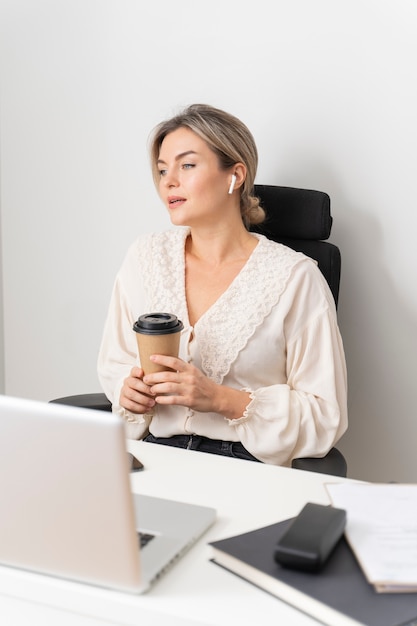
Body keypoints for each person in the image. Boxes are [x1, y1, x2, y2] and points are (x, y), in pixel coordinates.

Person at [97, 103, 347, 466]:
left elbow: (326, 415)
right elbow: (115, 362)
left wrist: (220, 399)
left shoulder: (295, 278)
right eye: (162, 169)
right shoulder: (145, 258)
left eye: (187, 165)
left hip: (244, 465)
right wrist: (128, 390)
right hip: (152, 457)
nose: (168, 181)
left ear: (236, 175)